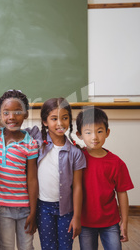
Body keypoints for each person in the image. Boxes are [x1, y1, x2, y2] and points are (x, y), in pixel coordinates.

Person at [26, 97, 86, 250]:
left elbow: (78, 187)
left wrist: (77, 217)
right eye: (54, 118)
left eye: (65, 118)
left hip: (66, 209)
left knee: (66, 246)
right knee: (48, 246)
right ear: (45, 121)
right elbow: (14, 128)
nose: (60, 123)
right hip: (43, 208)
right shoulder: (37, 140)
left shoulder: (75, 152)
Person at [76, 107, 134, 250]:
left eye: (99, 131)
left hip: (110, 222)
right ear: (79, 134)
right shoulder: (77, 158)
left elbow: (122, 193)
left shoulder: (116, 163)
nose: (94, 137)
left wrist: (124, 222)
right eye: (88, 132)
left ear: (107, 132)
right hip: (85, 222)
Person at [0, 90, 39, 250]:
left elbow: (32, 179)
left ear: (26, 115)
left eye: (18, 112)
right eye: (6, 113)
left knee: (27, 246)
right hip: (2, 207)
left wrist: (33, 211)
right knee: (6, 246)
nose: (11, 117)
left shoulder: (30, 143)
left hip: (25, 207)